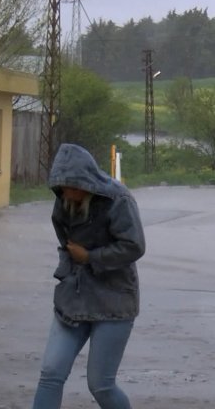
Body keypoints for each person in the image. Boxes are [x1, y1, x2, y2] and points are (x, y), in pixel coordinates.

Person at [32, 143, 146, 409]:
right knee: (50, 374)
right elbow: (66, 244)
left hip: (114, 301)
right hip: (73, 298)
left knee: (101, 384)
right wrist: (68, 270)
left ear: (87, 181)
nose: (67, 194)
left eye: (72, 186)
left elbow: (135, 246)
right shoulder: (63, 201)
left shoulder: (119, 200)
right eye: (62, 188)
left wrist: (91, 258)